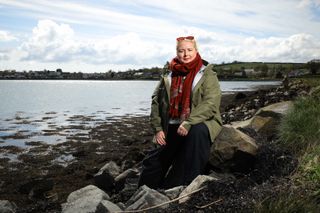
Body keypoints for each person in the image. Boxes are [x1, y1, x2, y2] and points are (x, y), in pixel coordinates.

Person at [138, 36, 222, 189]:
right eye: (181, 51)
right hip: (172, 124)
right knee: (154, 162)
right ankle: (142, 192)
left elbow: (211, 103)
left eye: (189, 50)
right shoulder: (168, 74)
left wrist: (189, 122)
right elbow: (156, 101)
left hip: (199, 122)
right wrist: (158, 129)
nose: (185, 54)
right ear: (176, 52)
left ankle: (190, 186)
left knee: (197, 133)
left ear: (196, 51)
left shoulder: (207, 74)